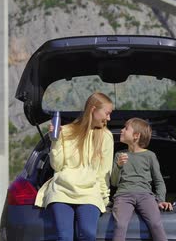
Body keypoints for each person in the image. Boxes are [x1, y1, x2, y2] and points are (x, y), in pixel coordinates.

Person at [34, 92, 115, 241]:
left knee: (87, 236)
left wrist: (104, 199)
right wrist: (55, 141)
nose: (108, 118)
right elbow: (57, 166)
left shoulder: (106, 136)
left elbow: (104, 172)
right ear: (93, 109)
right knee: (64, 237)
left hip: (90, 193)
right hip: (62, 191)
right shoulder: (65, 131)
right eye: (107, 113)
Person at [110, 117, 173, 241]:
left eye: (126, 128)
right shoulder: (119, 155)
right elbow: (114, 182)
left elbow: (158, 180)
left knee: (156, 224)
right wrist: (118, 166)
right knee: (120, 225)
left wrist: (160, 199)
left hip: (146, 195)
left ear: (136, 136)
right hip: (123, 196)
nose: (122, 130)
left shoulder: (150, 156)